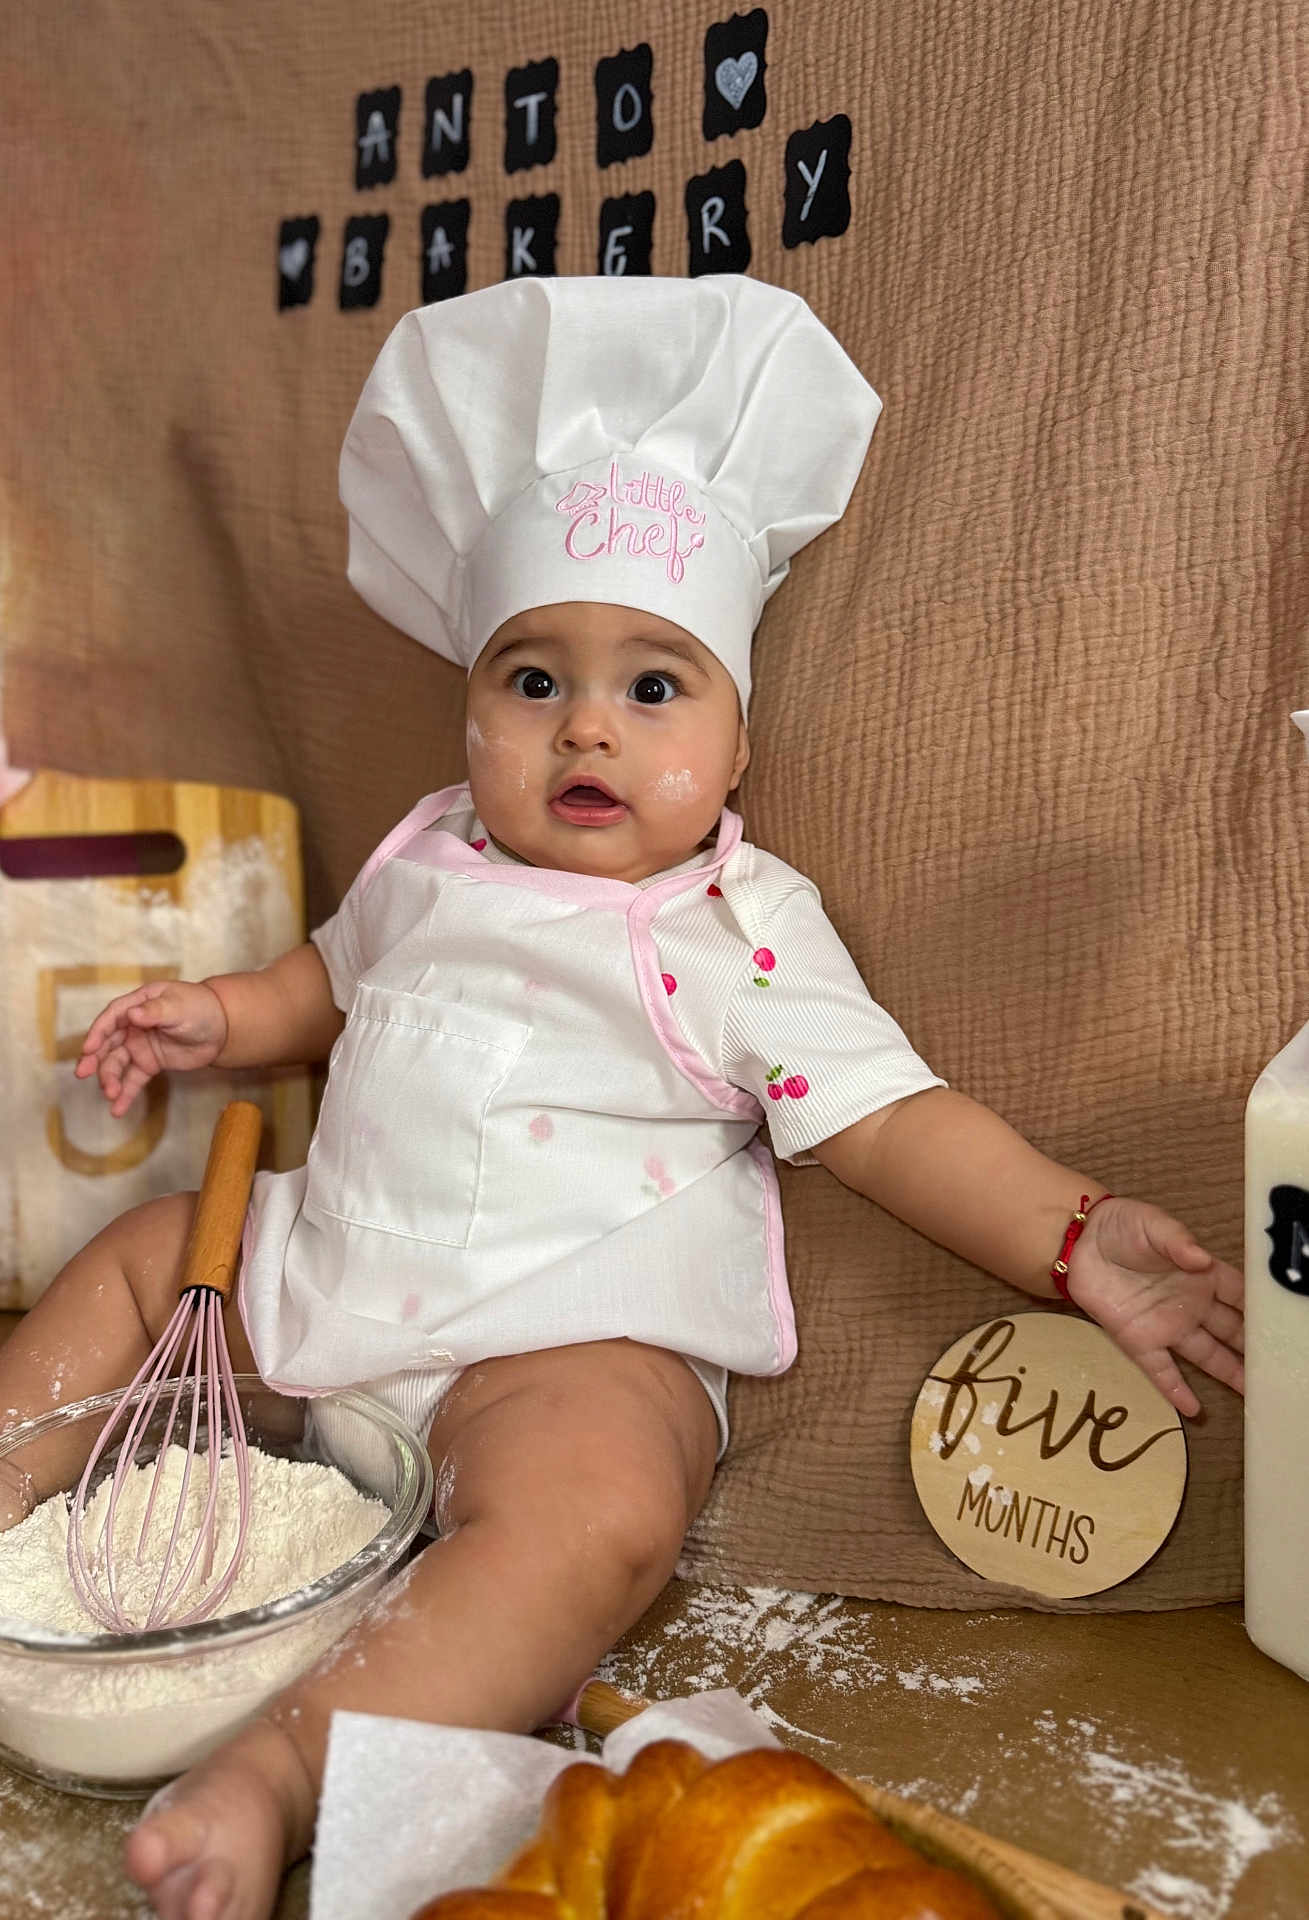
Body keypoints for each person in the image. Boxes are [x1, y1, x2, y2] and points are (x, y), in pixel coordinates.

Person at [2, 276, 1242, 1920]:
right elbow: (332, 984)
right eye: (533, 680)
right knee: (145, 1255)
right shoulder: (428, 855)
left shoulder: (729, 929)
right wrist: (213, 1019)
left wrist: (1072, 1237)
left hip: (564, 1335)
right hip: (326, 1272)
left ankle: (288, 1768)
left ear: (736, 744)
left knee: (599, 1517)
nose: (585, 721)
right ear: (469, 707)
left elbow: (884, 1118)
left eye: (654, 687)